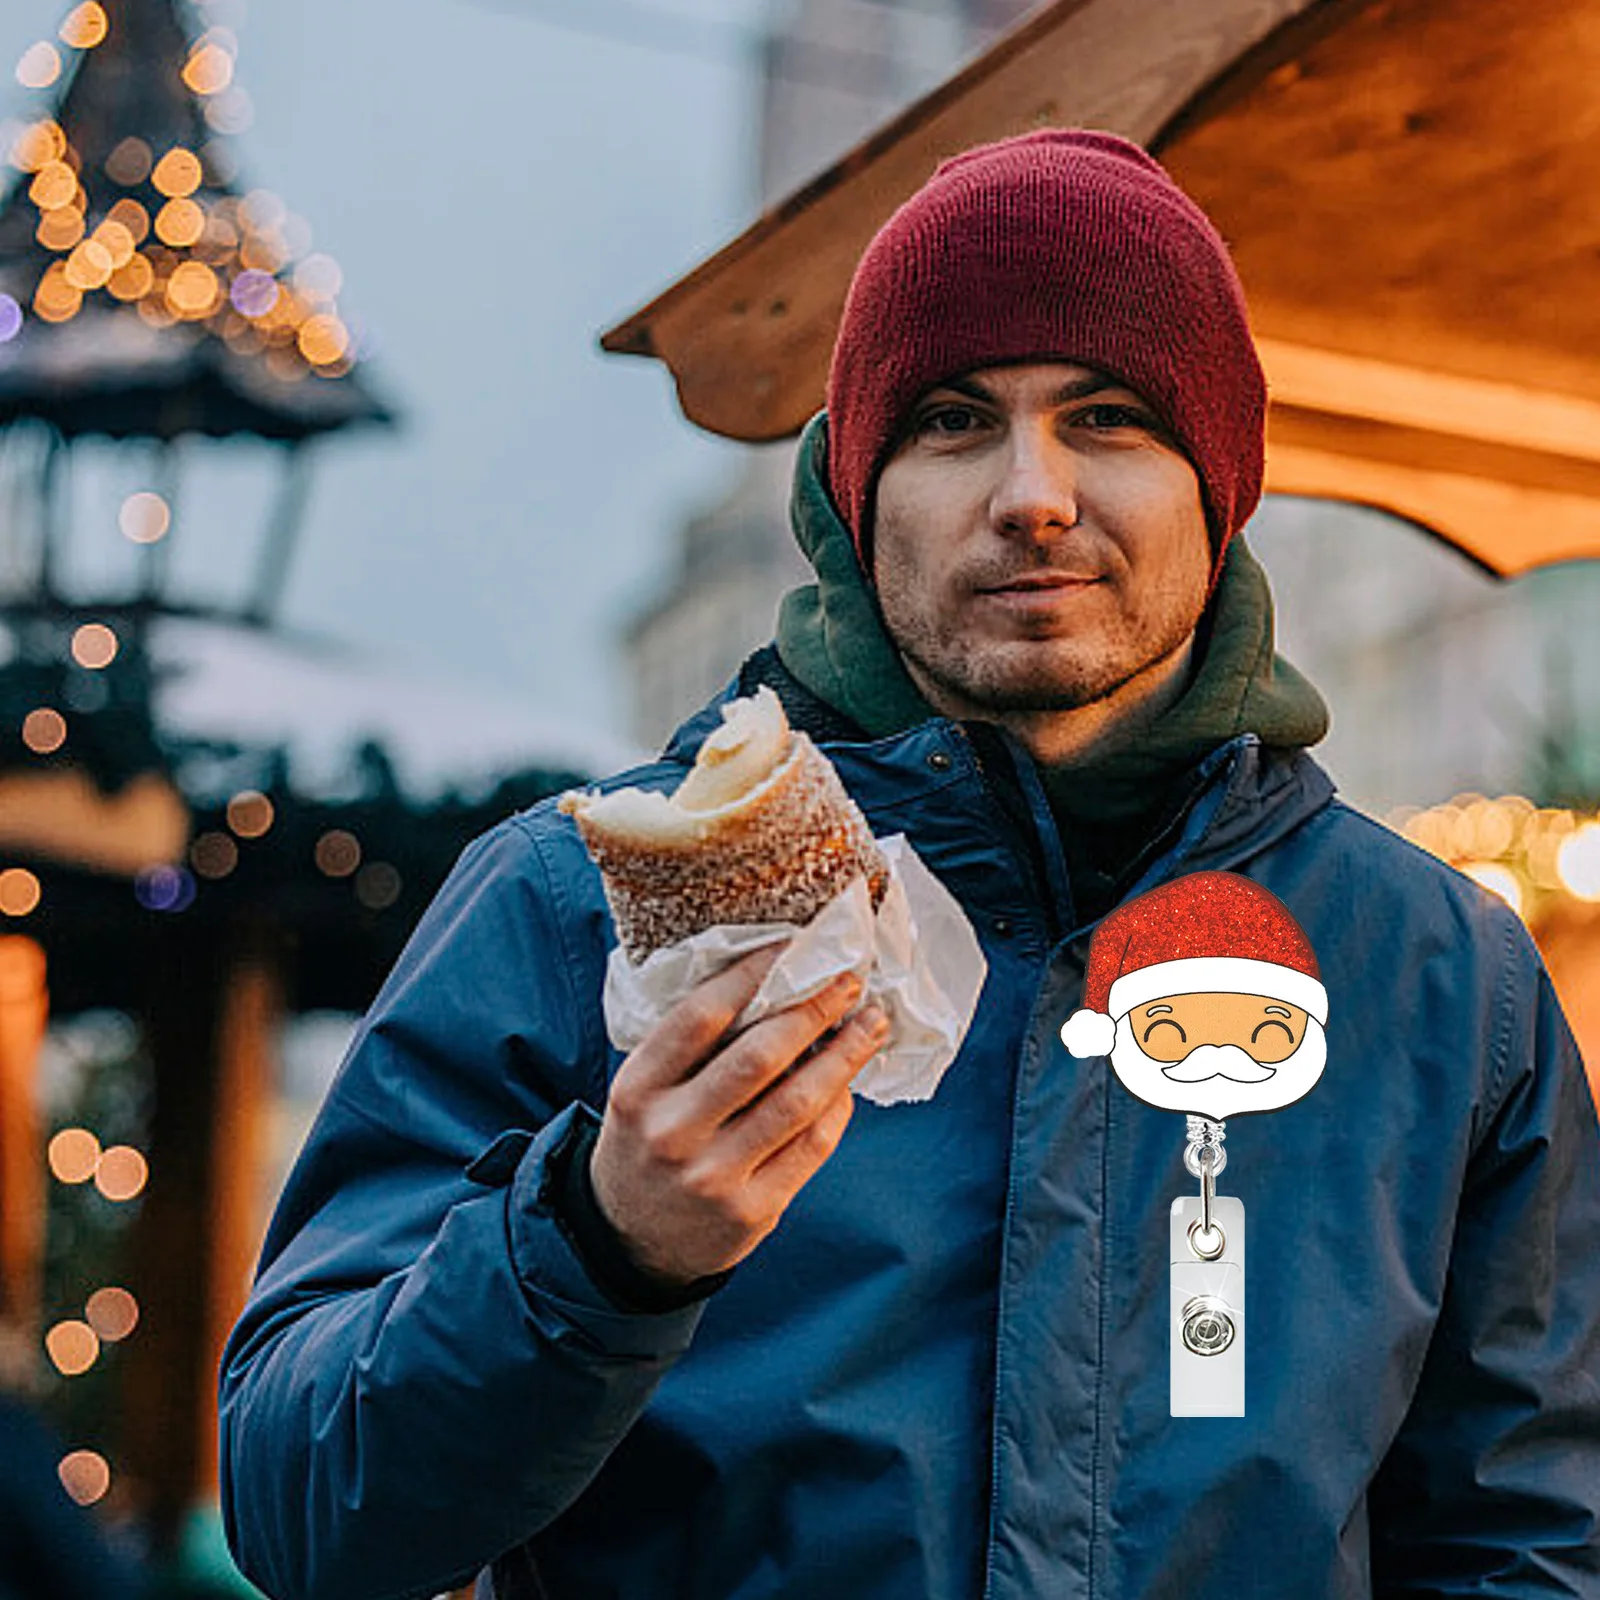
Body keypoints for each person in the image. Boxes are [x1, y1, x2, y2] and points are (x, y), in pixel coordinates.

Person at [219, 130, 1600, 1599]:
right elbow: (306, 1508)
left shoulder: (1443, 979)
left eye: (1112, 416)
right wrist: (599, 1247)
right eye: (951, 420)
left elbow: (1528, 1541)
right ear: (854, 491)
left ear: (1223, 483)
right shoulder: (579, 907)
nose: (1033, 494)